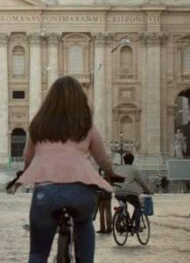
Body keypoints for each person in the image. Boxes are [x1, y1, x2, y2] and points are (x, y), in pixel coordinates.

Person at [12, 76, 116, 263]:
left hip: (46, 193)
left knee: (38, 252)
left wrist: (24, 172)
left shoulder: (38, 126)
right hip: (81, 191)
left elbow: (28, 158)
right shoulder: (87, 127)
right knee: (84, 222)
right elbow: (103, 160)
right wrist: (111, 173)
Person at [116, 153, 154, 232]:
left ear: (124, 160)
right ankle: (137, 227)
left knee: (123, 207)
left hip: (118, 192)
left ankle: (122, 220)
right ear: (132, 161)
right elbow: (141, 182)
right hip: (129, 193)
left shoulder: (118, 168)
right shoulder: (134, 170)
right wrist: (149, 191)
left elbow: (114, 180)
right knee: (138, 207)